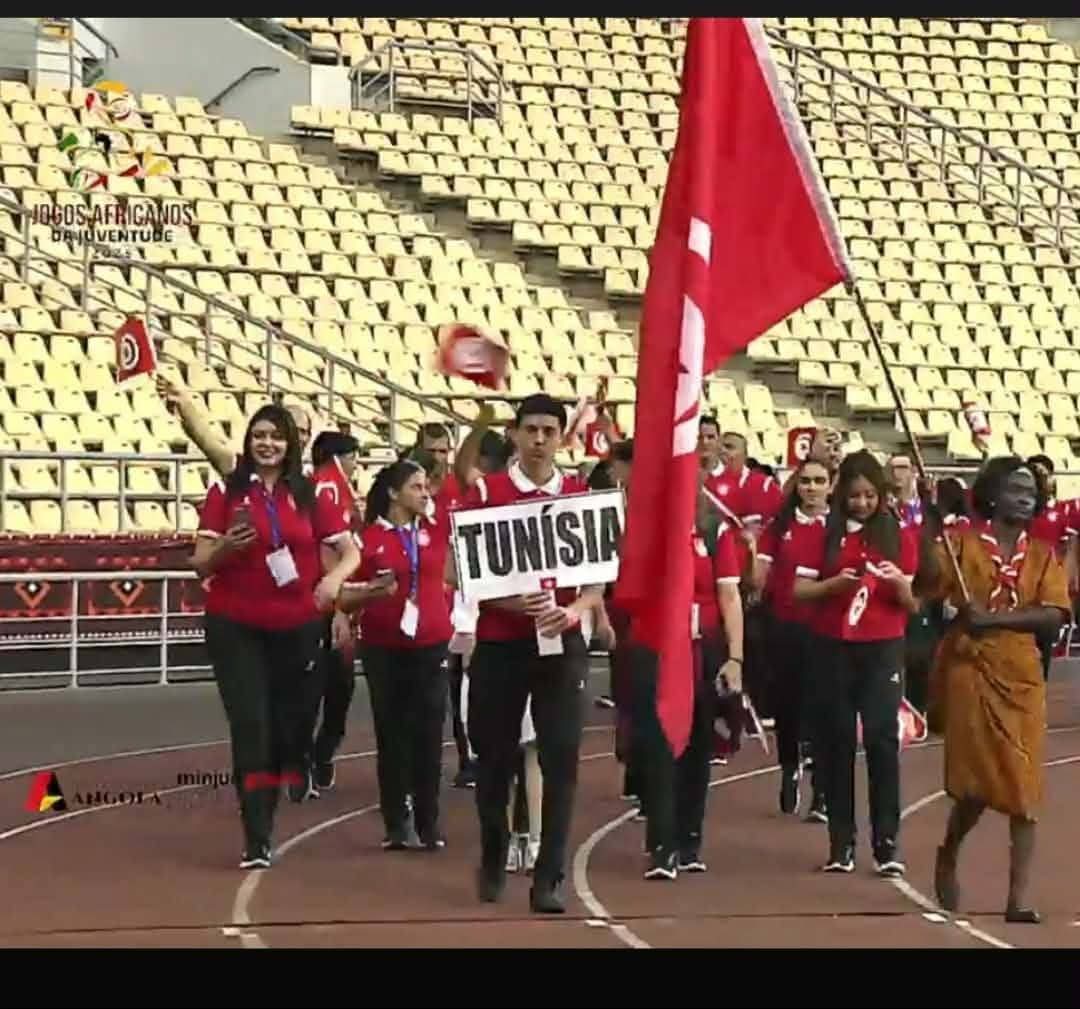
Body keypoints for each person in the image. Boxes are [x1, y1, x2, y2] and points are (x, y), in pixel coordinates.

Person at [452, 393, 603, 914]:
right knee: (494, 759)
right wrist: (511, 601)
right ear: (515, 434)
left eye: (549, 430)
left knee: (561, 759)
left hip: (561, 644)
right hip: (501, 643)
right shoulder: (486, 494)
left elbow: (597, 578)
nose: (539, 439)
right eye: (531, 429)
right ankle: (494, 851)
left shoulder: (580, 495)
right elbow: (458, 572)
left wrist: (575, 610)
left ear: (562, 437)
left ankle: (549, 876)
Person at [192, 403, 359, 869]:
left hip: (297, 627)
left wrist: (333, 581)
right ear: (249, 442)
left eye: (276, 436)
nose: (267, 444)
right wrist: (225, 548)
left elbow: (349, 552)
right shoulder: (227, 491)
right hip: (235, 626)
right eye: (259, 435)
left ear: (291, 444)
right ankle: (257, 835)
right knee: (252, 730)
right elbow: (200, 562)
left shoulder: (311, 494)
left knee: (291, 728)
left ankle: (296, 761)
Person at [918, 457, 1070, 923]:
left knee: (1026, 787)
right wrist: (928, 525)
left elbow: (1055, 615)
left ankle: (1017, 899)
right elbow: (926, 583)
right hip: (969, 670)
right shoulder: (960, 544)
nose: (1025, 498)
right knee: (975, 787)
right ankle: (949, 849)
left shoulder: (1043, 555)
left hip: (1021, 674)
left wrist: (996, 620)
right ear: (991, 495)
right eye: (1015, 489)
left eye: (1031, 492)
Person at [793, 450, 920, 876]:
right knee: (836, 742)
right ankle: (841, 842)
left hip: (883, 647)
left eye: (869, 495)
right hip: (833, 646)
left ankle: (887, 843)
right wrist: (833, 585)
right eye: (854, 496)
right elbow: (799, 591)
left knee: (883, 741)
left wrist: (899, 585)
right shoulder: (823, 535)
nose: (862, 503)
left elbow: (912, 604)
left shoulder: (898, 537)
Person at [338, 459, 454, 851]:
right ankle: (396, 822)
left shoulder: (436, 530)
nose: (425, 493)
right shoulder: (367, 539)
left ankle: (428, 822)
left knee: (430, 732)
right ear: (393, 493)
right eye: (416, 487)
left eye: (426, 487)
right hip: (383, 646)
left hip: (432, 641)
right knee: (392, 733)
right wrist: (371, 590)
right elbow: (343, 594)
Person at [634, 488, 745, 880]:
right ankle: (661, 844)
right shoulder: (646, 531)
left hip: (704, 650)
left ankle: (689, 841)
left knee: (698, 745)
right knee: (660, 743)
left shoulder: (714, 531)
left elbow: (729, 596)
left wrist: (735, 657)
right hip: (661, 652)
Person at [752, 458, 830, 820]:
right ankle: (789, 766)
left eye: (819, 481)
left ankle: (822, 790)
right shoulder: (779, 527)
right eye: (806, 481)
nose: (812, 488)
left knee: (824, 708)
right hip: (784, 627)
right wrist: (752, 565)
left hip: (827, 630)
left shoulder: (839, 528)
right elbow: (759, 573)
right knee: (787, 706)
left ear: (830, 486)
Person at [300, 430, 363, 795]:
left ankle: (317, 755)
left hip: (337, 603)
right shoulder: (328, 487)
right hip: (323, 605)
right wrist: (337, 606)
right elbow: (328, 549)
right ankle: (311, 757)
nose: (357, 464)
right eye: (354, 456)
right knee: (325, 687)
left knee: (338, 687)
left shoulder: (335, 488)